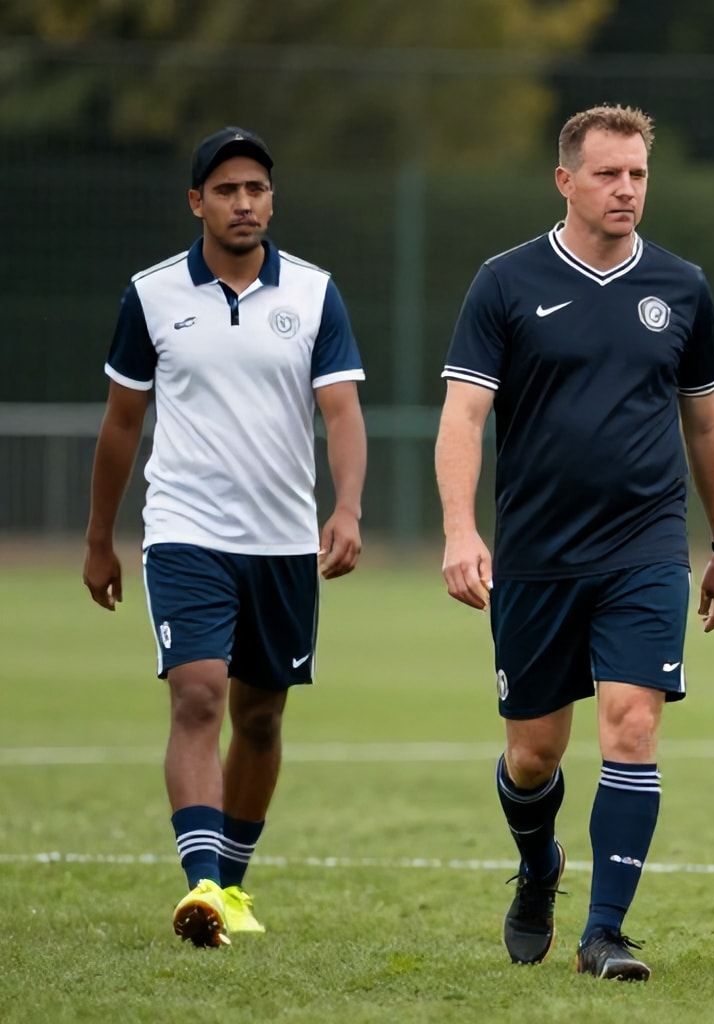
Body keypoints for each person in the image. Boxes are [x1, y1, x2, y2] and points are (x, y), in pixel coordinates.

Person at [435, 104, 714, 983]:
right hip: (535, 555)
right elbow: (462, 413)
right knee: (533, 754)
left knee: (632, 727)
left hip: (645, 548)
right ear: (565, 180)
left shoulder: (681, 286)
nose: (626, 190)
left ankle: (604, 933)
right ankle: (538, 868)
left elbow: (708, 423)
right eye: (608, 174)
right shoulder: (505, 281)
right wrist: (462, 530)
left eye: (638, 174)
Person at [83, 127, 367, 947]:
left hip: (282, 543)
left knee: (263, 717)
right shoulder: (152, 295)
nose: (244, 202)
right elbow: (120, 425)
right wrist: (101, 537)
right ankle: (200, 882)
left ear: (271, 200)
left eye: (257, 189)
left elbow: (342, 412)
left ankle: (229, 889)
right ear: (196, 202)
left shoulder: (314, 294)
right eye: (227, 189)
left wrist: (346, 508)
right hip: (184, 532)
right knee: (199, 693)